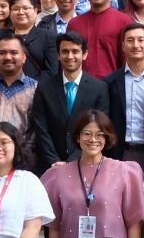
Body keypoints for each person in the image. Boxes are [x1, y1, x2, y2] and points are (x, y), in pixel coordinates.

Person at [32, 31, 113, 169]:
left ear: (84, 54)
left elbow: (99, 128)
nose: (70, 56)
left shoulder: (99, 88)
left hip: (85, 162)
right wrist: (54, 160)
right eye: (65, 51)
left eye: (75, 51)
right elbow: (40, 128)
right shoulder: (44, 87)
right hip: (50, 164)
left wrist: (73, 161)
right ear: (58, 55)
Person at [104, 24, 144, 168]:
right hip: (120, 153)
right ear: (123, 46)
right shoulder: (110, 81)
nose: (135, 45)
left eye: (141, 40)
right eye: (130, 40)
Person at [69, 0, 133, 78]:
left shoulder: (124, 21)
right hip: (80, 85)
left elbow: (127, 60)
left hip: (112, 84)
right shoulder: (74, 23)